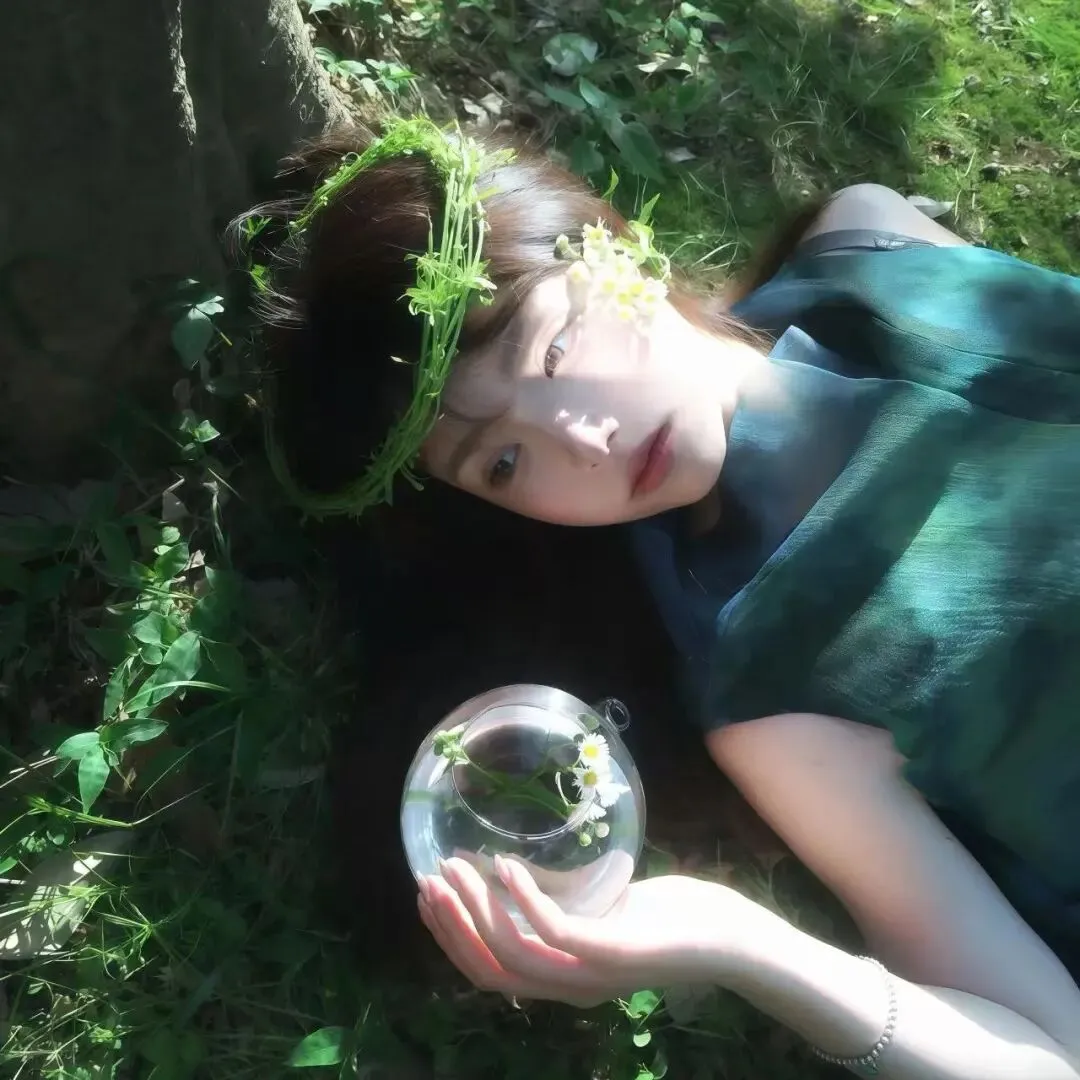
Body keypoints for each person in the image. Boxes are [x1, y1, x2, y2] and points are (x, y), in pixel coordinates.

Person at [237, 114, 1080, 1078]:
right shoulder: (772, 679)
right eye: (505, 461)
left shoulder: (868, 240)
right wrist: (743, 945)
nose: (582, 440)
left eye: (554, 352)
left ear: (613, 249)